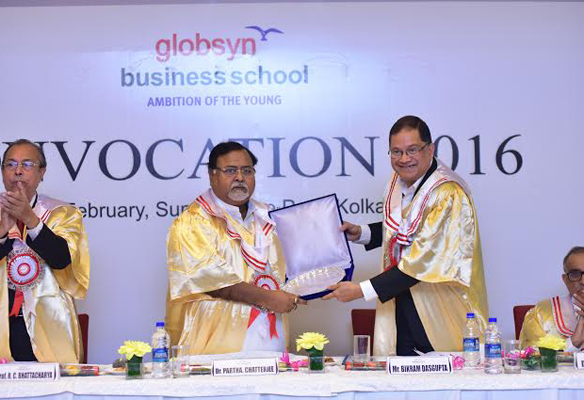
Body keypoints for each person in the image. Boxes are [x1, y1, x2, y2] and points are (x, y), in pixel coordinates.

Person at [324, 115, 489, 356]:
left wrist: (361, 290)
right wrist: (362, 233)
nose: (404, 159)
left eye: (412, 150)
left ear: (430, 149)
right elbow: (406, 231)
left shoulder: (447, 193)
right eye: (396, 152)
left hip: (439, 312)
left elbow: (422, 259)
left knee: (442, 375)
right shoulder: (400, 182)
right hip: (402, 302)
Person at [166, 141, 306, 354]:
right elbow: (212, 280)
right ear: (212, 175)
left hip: (270, 332)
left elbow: (294, 265)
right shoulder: (193, 221)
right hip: (218, 338)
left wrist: (320, 278)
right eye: (230, 170)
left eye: (247, 171)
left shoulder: (267, 217)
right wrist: (269, 298)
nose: (240, 177)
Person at [0, 139, 90, 363]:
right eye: (11, 164)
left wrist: (30, 219)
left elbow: (62, 259)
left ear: (42, 172)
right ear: (2, 172)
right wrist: (1, 231)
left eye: (27, 164)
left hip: (47, 320)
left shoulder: (63, 213)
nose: (18, 171)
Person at [520, 246, 584, 350]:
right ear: (565, 280)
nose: (583, 281)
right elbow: (531, 355)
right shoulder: (540, 313)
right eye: (575, 274)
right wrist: (573, 342)